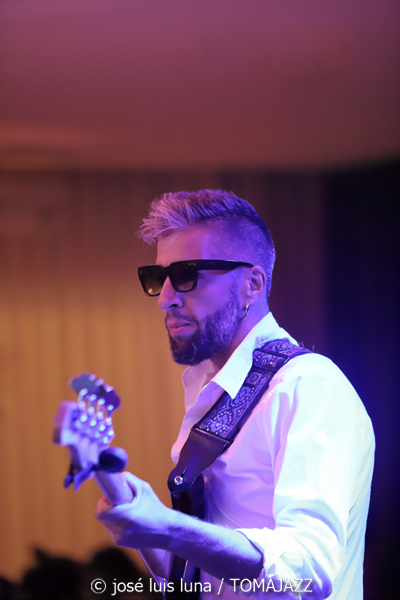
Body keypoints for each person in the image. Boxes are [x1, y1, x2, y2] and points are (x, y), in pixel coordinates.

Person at [95, 190, 375, 599]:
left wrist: (170, 528)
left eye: (187, 275)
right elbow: (197, 579)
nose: (166, 299)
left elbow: (308, 569)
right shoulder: (211, 388)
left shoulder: (308, 385)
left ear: (252, 285)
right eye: (158, 278)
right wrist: (144, 523)